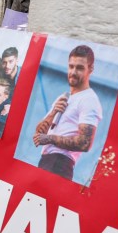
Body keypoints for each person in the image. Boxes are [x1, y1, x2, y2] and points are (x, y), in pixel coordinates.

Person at [33, 45, 102, 180]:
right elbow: (38, 134)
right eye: (71, 66)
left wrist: (50, 139)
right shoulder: (64, 97)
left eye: (80, 68)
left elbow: (84, 143)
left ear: (90, 69)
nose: (73, 72)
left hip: (59, 163)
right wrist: (53, 112)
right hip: (47, 160)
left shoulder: (89, 100)